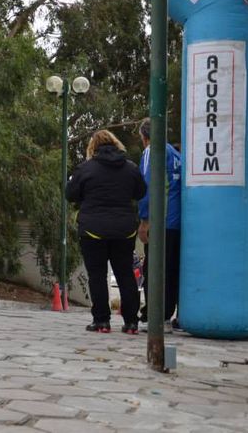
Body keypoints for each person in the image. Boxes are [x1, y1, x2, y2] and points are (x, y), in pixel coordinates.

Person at [66, 129, 146, 335]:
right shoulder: (130, 168)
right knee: (125, 274)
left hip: (93, 230)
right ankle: (131, 322)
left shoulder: (85, 168)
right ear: (116, 144)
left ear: (93, 147)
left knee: (97, 275)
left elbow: (70, 194)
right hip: (124, 230)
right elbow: (141, 192)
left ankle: (101, 321)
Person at [137, 118, 182, 332]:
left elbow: (148, 185)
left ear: (145, 137)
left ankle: (156, 317)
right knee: (172, 271)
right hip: (176, 222)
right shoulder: (176, 155)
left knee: (153, 270)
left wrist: (145, 220)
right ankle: (168, 315)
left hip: (160, 222)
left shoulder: (152, 151)